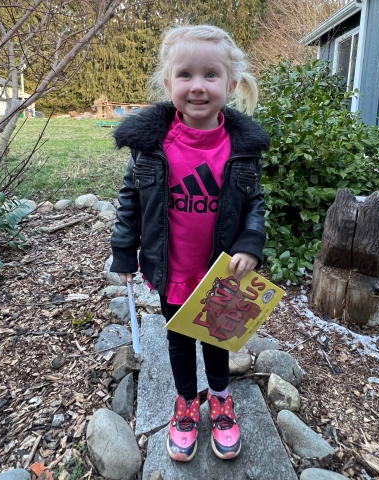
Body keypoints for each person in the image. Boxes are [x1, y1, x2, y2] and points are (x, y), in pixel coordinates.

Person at [110, 24, 270, 462]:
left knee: (216, 338)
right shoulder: (150, 146)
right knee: (179, 339)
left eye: (210, 75)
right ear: (168, 83)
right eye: (185, 75)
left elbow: (254, 202)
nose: (197, 86)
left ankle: (219, 397)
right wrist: (124, 251)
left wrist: (251, 242)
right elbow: (130, 201)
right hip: (172, 269)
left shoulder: (242, 148)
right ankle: (186, 401)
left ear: (231, 84)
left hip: (219, 271)